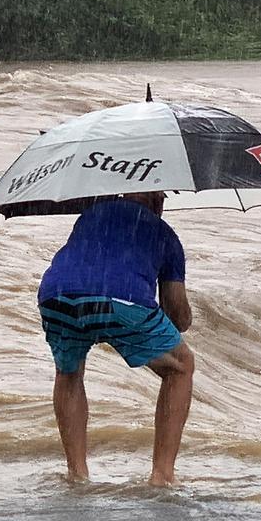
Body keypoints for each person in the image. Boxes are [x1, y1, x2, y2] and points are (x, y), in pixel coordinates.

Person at [36, 191, 195, 486]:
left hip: (56, 296)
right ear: (151, 200)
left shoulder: (90, 216)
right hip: (122, 300)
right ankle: (163, 475)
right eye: (159, 194)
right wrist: (184, 316)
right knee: (181, 365)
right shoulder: (164, 234)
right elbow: (177, 314)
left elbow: (90, 266)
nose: (162, 200)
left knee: (69, 372)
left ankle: (77, 474)